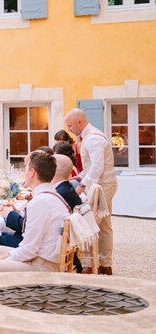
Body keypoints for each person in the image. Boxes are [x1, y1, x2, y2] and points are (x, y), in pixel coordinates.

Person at [0, 151, 69, 273]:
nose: (24, 173)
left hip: (40, 266)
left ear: (32, 172)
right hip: (41, 257)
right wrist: (0, 257)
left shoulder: (39, 202)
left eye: (25, 169)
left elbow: (28, 251)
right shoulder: (53, 195)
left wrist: (0, 260)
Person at [65, 108, 117, 275]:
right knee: (105, 225)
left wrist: (82, 186)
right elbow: (88, 168)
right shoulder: (87, 137)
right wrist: (77, 178)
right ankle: (105, 264)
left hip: (103, 185)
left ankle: (89, 264)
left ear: (80, 122)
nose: (69, 130)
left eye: (70, 126)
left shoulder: (93, 138)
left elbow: (97, 168)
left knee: (89, 222)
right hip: (100, 184)